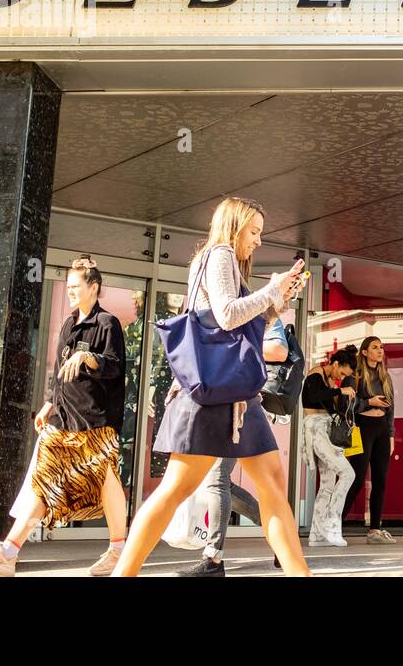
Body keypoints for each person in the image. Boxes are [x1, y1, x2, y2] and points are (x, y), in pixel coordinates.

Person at [112, 198, 310, 576]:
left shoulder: (227, 262)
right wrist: (271, 291)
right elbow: (226, 314)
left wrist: (279, 299)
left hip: (232, 396)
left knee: (270, 484)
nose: (258, 241)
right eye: (254, 232)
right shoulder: (219, 253)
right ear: (234, 227)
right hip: (217, 397)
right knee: (175, 490)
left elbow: (239, 320)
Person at [0, 256, 128, 576]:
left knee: (107, 481)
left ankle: (119, 549)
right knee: (43, 482)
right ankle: (8, 552)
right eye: (68, 288)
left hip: (95, 422)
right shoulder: (68, 324)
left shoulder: (107, 324)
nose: (70, 292)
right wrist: (50, 403)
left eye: (75, 287)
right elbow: (58, 371)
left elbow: (116, 367)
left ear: (93, 288)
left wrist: (88, 358)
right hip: (62, 420)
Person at [179, 316, 291, 577]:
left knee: (217, 479)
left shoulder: (253, 308)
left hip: (242, 404)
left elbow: (277, 350)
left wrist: (230, 344)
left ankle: (213, 559)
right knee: (220, 482)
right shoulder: (212, 310)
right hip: (216, 403)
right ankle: (281, 537)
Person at [341, 336, 396, 544]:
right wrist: (368, 402)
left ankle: (375, 530)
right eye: (374, 347)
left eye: (381, 347)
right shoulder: (355, 376)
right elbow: (346, 406)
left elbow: (391, 408)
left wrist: (391, 434)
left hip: (382, 429)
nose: (379, 350)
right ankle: (335, 524)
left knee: (380, 480)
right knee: (355, 479)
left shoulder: (385, 377)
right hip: (362, 428)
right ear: (364, 352)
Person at [302, 347, 358, 547]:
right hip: (316, 429)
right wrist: (339, 390)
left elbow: (328, 402)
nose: (340, 378)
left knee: (326, 484)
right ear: (335, 364)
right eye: (342, 373)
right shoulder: (315, 374)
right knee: (347, 474)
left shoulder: (326, 381)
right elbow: (315, 395)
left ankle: (317, 534)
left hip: (325, 430)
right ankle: (332, 526)